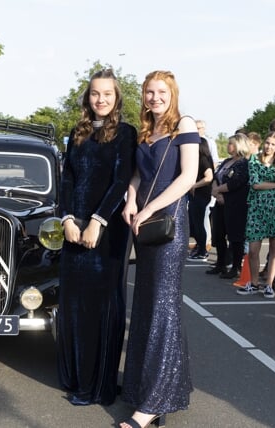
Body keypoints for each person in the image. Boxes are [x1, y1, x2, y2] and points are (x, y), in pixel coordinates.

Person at [119, 70, 197, 428]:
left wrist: (150, 207)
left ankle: (152, 405)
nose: (154, 98)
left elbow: (188, 176)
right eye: (149, 92)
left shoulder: (185, 124)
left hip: (169, 226)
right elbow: (139, 175)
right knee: (148, 306)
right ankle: (144, 390)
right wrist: (132, 197)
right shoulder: (146, 131)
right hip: (143, 226)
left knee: (164, 307)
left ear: (173, 93)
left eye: (161, 92)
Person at [56, 69, 137, 406]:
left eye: (107, 93)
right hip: (74, 229)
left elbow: (121, 181)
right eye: (94, 93)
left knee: (103, 306)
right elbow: (68, 180)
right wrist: (67, 220)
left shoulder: (126, 134)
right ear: (87, 98)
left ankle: (98, 386)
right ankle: (77, 380)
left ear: (116, 97)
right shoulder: (77, 133)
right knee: (75, 306)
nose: (100, 99)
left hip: (108, 232)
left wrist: (97, 222)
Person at [236, 130, 275, 298]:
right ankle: (253, 282)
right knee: (253, 249)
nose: (269, 146)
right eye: (267, 143)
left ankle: (269, 284)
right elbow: (255, 184)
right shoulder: (254, 159)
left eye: (273, 144)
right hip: (257, 208)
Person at [209, 134, 250, 279]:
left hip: (235, 205)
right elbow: (215, 177)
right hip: (220, 203)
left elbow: (236, 182)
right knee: (219, 234)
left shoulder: (243, 163)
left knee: (235, 236)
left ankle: (236, 266)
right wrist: (216, 192)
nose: (228, 146)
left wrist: (219, 190)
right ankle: (220, 264)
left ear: (239, 145)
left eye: (231, 144)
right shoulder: (226, 161)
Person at [187, 120, 214, 261]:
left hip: (201, 195)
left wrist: (194, 185)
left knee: (199, 223)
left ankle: (202, 250)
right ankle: (199, 247)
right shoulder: (196, 159)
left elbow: (209, 177)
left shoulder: (204, 159)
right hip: (196, 195)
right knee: (194, 223)